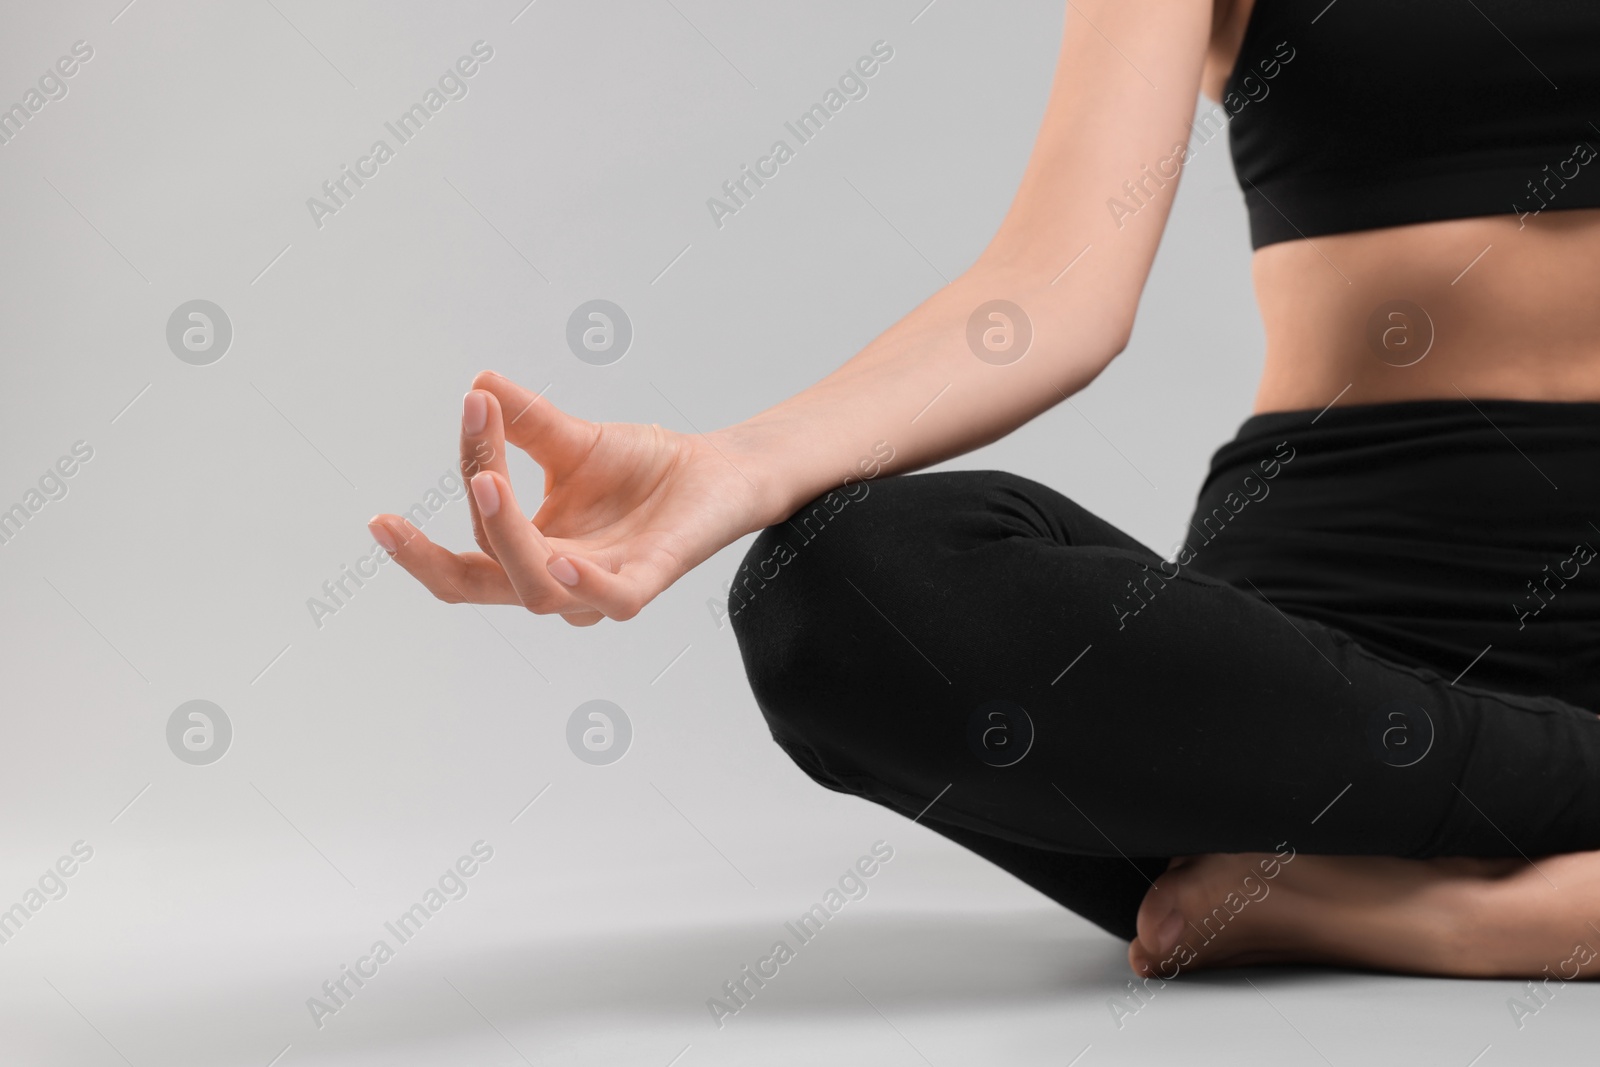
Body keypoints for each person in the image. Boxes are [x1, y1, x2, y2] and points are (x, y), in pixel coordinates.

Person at [368, 0, 1600, 980]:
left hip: (1341, 775)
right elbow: (1050, 287)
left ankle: (1402, 904)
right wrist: (742, 464)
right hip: (1323, 657)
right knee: (837, 592)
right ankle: (1527, 887)